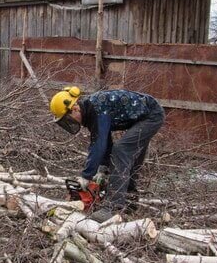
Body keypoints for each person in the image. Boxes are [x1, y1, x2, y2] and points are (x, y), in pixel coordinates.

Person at [49, 86, 165, 222]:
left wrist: (86, 175)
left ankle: (113, 207)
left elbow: (98, 145)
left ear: (74, 109)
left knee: (121, 150)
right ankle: (129, 200)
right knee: (126, 156)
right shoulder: (91, 111)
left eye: (67, 119)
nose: (69, 123)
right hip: (144, 117)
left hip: (151, 116)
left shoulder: (96, 109)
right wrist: (102, 168)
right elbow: (105, 142)